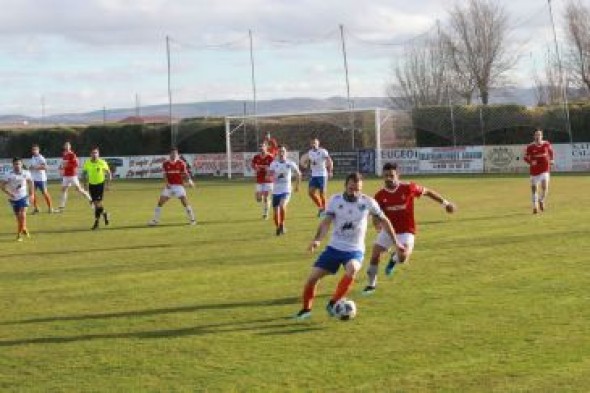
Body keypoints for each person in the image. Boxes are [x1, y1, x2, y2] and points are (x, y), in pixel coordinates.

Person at [294, 172, 403, 320]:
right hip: (333, 248)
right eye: (352, 188)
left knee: (352, 268)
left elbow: (385, 221)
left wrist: (396, 242)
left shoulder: (368, 202)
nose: (355, 192)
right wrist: (317, 240)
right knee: (312, 279)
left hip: (354, 250)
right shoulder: (335, 200)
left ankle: (333, 303)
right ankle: (306, 310)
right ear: (345, 186)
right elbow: (326, 222)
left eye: (358, 189)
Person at [362, 162, 457, 295]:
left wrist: (445, 203)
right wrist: (376, 223)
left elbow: (428, 192)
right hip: (388, 231)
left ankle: (394, 259)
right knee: (375, 254)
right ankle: (371, 285)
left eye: (392, 175)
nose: (389, 178)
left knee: (403, 257)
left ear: (398, 175)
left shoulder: (408, 188)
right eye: (386, 176)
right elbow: (375, 213)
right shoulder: (379, 195)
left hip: (407, 231)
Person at [148, 147, 196, 226]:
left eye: (175, 153)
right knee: (160, 202)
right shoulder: (165, 163)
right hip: (169, 186)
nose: (174, 155)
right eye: (172, 153)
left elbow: (185, 174)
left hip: (179, 186)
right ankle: (155, 221)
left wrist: (190, 181)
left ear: (177, 154)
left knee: (184, 201)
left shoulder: (181, 163)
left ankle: (192, 220)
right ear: (170, 154)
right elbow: (165, 175)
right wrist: (167, 183)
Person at [268, 145, 301, 235]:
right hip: (275, 191)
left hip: (286, 190)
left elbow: (299, 174)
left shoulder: (290, 163)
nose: (281, 153)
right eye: (280, 151)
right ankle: (278, 227)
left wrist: (297, 185)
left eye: (283, 151)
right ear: (277, 153)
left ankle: (282, 224)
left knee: (282, 206)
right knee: (275, 211)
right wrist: (270, 177)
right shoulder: (273, 164)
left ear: (286, 153)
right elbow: (269, 175)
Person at [1, 157, 34, 241]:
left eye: (19, 164)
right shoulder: (9, 174)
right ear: (13, 165)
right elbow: (2, 186)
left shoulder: (26, 173)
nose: (17, 165)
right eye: (15, 164)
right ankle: (24, 228)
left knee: (23, 215)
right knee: (18, 218)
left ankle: (19, 235)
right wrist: (9, 193)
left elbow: (30, 182)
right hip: (13, 198)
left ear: (21, 164)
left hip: (24, 196)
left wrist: (31, 194)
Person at [523, 129, 554, 214]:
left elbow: (551, 152)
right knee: (534, 189)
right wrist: (530, 162)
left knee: (545, 186)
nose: (538, 136)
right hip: (534, 171)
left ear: (542, 136)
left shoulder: (546, 144)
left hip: (545, 169)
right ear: (534, 136)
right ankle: (535, 206)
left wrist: (552, 160)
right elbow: (525, 157)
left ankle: (541, 200)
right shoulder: (530, 146)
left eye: (539, 135)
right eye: (536, 135)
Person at [82, 147, 112, 230]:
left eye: (96, 153)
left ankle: (96, 222)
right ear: (90, 154)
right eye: (93, 153)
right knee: (96, 204)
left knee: (98, 203)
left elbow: (109, 173)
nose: (94, 154)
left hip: (100, 185)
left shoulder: (102, 162)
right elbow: (84, 174)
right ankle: (105, 214)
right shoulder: (87, 163)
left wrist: (108, 184)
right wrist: (85, 184)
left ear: (98, 154)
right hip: (91, 185)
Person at [302, 138, 333, 217]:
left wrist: (330, 171)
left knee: (322, 194)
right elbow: (306, 161)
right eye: (312, 143)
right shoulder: (310, 152)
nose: (314, 145)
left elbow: (329, 161)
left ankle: (325, 210)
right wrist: (304, 164)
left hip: (322, 175)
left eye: (315, 143)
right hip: (314, 175)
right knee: (311, 193)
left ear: (318, 144)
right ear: (310, 144)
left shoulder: (323, 151)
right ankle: (321, 208)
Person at [58, 141, 92, 210]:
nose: (67, 147)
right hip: (66, 175)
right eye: (66, 145)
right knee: (63, 189)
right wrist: (60, 166)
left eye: (68, 145)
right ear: (64, 147)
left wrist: (66, 166)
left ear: (70, 147)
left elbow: (76, 164)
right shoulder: (64, 154)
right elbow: (63, 163)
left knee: (79, 189)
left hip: (72, 175)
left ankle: (90, 199)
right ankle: (62, 205)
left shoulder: (72, 154)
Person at [29, 144, 56, 214]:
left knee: (45, 193)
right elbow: (32, 167)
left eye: (36, 150)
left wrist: (35, 167)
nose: (34, 151)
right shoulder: (32, 157)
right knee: (32, 193)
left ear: (38, 150)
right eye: (33, 150)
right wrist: (30, 168)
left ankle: (50, 208)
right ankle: (36, 208)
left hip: (41, 179)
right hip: (33, 179)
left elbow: (46, 167)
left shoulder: (41, 158)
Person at [251, 142, 275, 219]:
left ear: (266, 147)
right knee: (258, 199)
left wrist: (266, 168)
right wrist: (255, 168)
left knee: (266, 197)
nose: (261, 148)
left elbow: (273, 167)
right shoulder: (256, 157)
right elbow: (253, 165)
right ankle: (265, 202)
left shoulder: (270, 157)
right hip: (259, 179)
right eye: (260, 147)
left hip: (268, 180)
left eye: (263, 146)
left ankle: (265, 213)